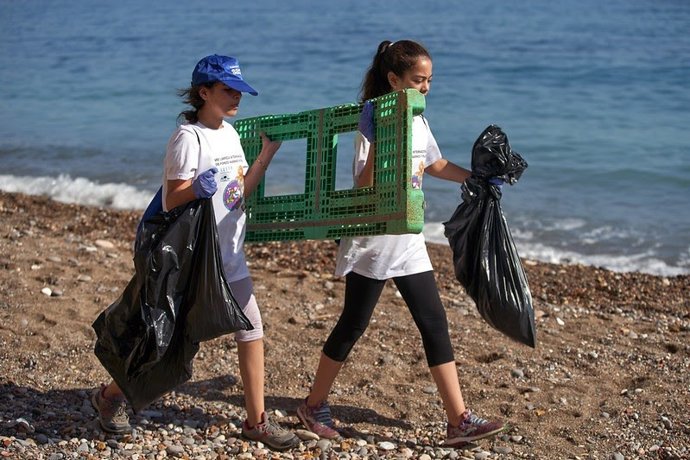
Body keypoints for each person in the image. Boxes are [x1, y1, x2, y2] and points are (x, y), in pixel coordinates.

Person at [296, 40, 506, 448]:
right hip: (373, 237)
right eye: (418, 80)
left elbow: (433, 163)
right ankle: (313, 404)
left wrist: (475, 179)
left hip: (408, 239)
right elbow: (364, 185)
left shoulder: (418, 118)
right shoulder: (373, 119)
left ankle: (458, 420)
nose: (426, 87)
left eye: (429, 80)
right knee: (352, 325)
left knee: (434, 322)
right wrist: (377, 141)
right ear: (394, 80)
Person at [91, 54, 300, 451]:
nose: (236, 96)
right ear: (204, 92)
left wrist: (266, 155)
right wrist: (195, 188)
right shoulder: (188, 138)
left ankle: (256, 421)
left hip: (229, 254)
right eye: (227, 89)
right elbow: (172, 198)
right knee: (168, 339)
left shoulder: (231, 133)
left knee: (251, 328)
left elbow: (237, 192)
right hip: (192, 260)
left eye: (239, 90)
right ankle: (109, 397)